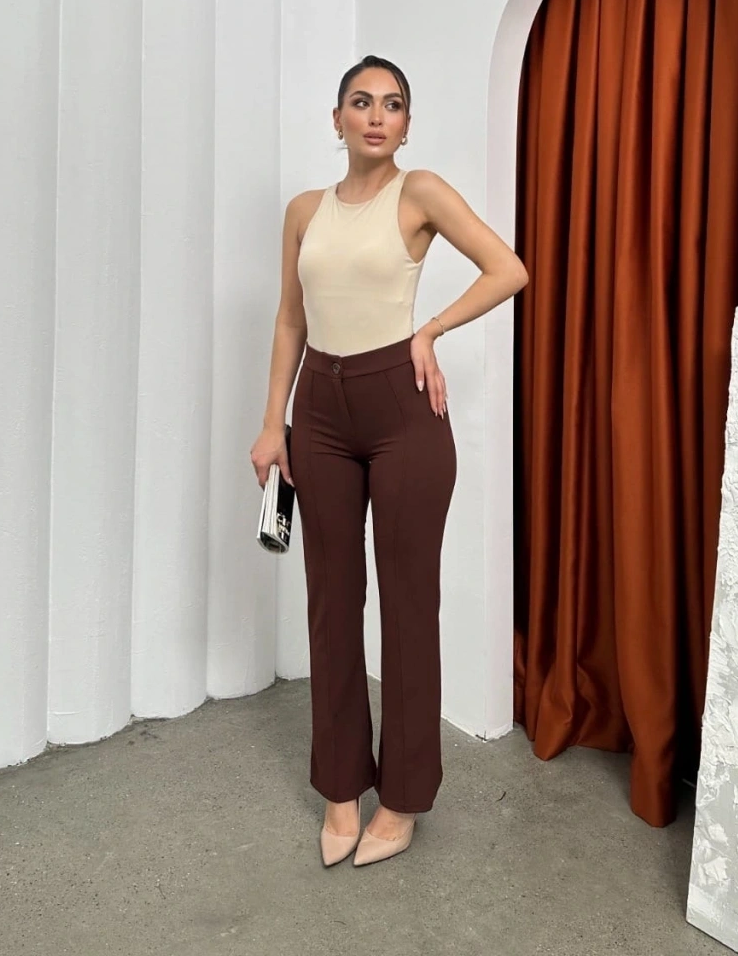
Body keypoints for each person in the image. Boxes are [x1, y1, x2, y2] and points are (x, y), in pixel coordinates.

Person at [249, 55, 528, 868]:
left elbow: (509, 268)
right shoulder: (304, 211)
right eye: (361, 101)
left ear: (406, 125)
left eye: (393, 104)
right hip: (321, 410)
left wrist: (430, 330)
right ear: (336, 118)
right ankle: (340, 788)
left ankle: (402, 798)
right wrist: (273, 423)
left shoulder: (420, 192)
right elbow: (290, 320)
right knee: (331, 602)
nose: (377, 115)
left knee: (408, 607)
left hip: (403, 411)